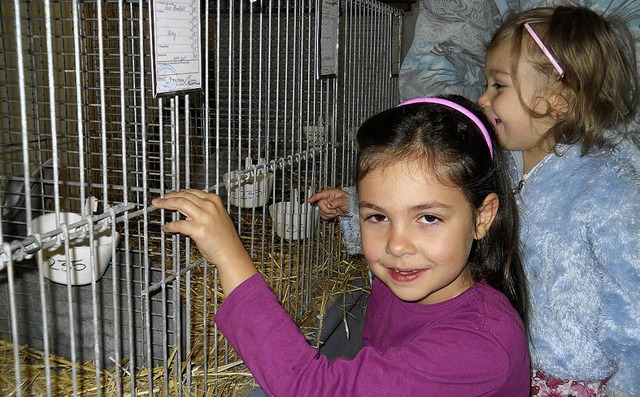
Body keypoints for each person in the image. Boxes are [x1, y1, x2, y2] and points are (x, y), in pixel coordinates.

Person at [312, 5, 640, 396]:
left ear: (559, 98)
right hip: (498, 352)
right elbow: (440, 201)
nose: (483, 99)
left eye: (498, 85)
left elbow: (632, 303)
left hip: (571, 379)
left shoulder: (610, 193)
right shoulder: (510, 163)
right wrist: (358, 207)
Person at [152, 95, 531, 396]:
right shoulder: (416, 275)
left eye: (428, 218)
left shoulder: (480, 345)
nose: (397, 245)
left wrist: (229, 254)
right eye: (377, 216)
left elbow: (309, 389)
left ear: (483, 218)